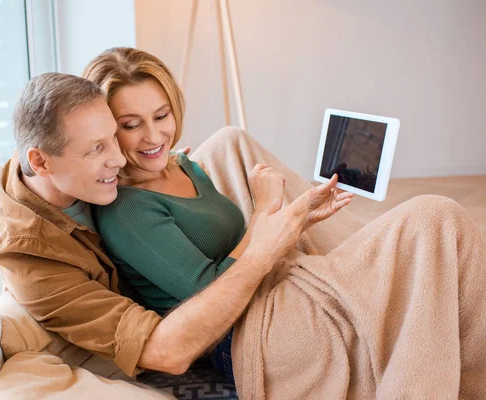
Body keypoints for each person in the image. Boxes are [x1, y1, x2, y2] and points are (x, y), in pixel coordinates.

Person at [83, 47, 486, 399]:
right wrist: (264, 215)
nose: (154, 136)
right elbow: (210, 295)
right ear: (106, 128)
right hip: (250, 334)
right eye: (131, 124)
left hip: (278, 286)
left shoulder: (184, 164)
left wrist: (297, 216)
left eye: (161, 115)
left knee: (441, 248)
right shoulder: (127, 209)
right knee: (436, 216)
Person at [0, 71, 346, 383]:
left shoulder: (70, 167)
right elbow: (168, 352)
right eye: (97, 148)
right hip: (227, 331)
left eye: (115, 135)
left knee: (230, 141)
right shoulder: (35, 261)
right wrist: (265, 238)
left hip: (244, 295)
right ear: (40, 161)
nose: (117, 159)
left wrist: (164, 170)